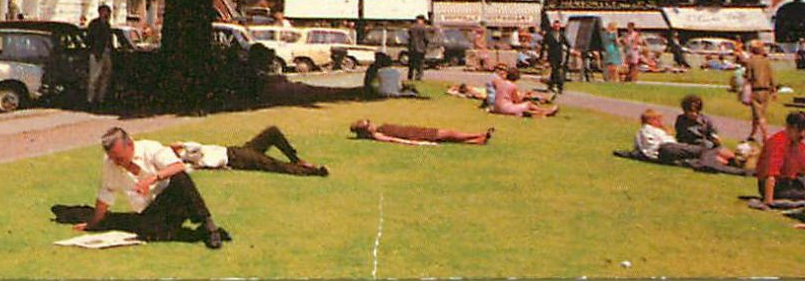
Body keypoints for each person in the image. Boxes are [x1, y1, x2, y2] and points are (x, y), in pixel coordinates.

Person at [67, 126, 228, 247]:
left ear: (129, 144)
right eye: (113, 158)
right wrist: (93, 224)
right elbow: (105, 196)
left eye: (120, 158)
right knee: (147, 233)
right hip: (150, 213)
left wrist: (153, 178)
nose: (116, 162)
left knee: (180, 178)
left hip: (173, 200)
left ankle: (208, 226)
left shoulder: (150, 148)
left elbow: (178, 167)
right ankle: (194, 234)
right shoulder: (110, 164)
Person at [170, 126, 328, 177]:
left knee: (272, 132)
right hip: (236, 158)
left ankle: (296, 159)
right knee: (274, 165)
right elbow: (194, 151)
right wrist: (181, 148)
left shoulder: (188, 153)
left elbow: (190, 146)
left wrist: (180, 146)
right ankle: (314, 171)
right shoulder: (193, 159)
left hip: (237, 150)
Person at [754, 110, 805, 205]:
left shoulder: (800, 146)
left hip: (791, 182)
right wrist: (768, 200)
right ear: (789, 127)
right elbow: (770, 174)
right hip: (776, 186)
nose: (803, 134)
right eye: (799, 130)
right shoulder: (777, 142)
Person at [634, 108, 703, 165]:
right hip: (665, 149)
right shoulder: (649, 129)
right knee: (698, 150)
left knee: (694, 154)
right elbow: (667, 143)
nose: (661, 121)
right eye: (658, 119)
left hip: (662, 152)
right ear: (650, 120)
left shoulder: (642, 131)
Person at [350, 119, 491, 145]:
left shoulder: (379, 129)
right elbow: (395, 140)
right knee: (449, 133)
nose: (372, 123)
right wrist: (419, 143)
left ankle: (478, 140)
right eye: (368, 124)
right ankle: (478, 134)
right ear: (366, 130)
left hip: (415, 131)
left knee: (449, 137)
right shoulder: (377, 135)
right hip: (417, 135)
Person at [489, 67, 558, 117]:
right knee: (528, 104)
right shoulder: (512, 86)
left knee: (527, 108)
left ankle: (544, 111)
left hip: (496, 107)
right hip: (505, 108)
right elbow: (517, 101)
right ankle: (545, 111)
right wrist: (523, 95)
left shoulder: (501, 83)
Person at [744, 40, 775, 145]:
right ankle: (752, 134)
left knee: (760, 115)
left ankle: (766, 136)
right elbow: (771, 76)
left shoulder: (751, 61)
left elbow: (748, 77)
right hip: (766, 90)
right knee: (756, 114)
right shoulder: (766, 60)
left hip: (756, 90)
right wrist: (774, 90)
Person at [85, 4, 115, 107]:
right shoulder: (94, 24)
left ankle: (100, 99)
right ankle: (90, 100)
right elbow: (89, 39)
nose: (107, 14)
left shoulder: (107, 25)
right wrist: (93, 48)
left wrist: (111, 50)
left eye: (108, 12)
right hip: (96, 53)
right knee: (94, 77)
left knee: (105, 76)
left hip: (106, 52)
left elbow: (109, 40)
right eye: (105, 12)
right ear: (100, 12)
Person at [542, 20, 569, 93]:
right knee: (554, 70)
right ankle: (559, 86)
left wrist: (569, 50)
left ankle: (552, 85)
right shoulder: (548, 34)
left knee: (556, 71)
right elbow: (544, 45)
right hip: (551, 55)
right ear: (553, 26)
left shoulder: (561, 34)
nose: (557, 27)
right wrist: (542, 56)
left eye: (558, 26)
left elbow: (567, 43)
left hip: (559, 55)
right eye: (555, 26)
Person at [406, 15, 433, 81]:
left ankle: (410, 76)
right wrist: (426, 45)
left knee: (412, 63)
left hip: (412, 48)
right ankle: (418, 77)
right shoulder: (424, 28)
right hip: (421, 48)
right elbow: (426, 38)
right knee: (420, 63)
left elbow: (409, 38)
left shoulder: (411, 27)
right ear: (422, 20)